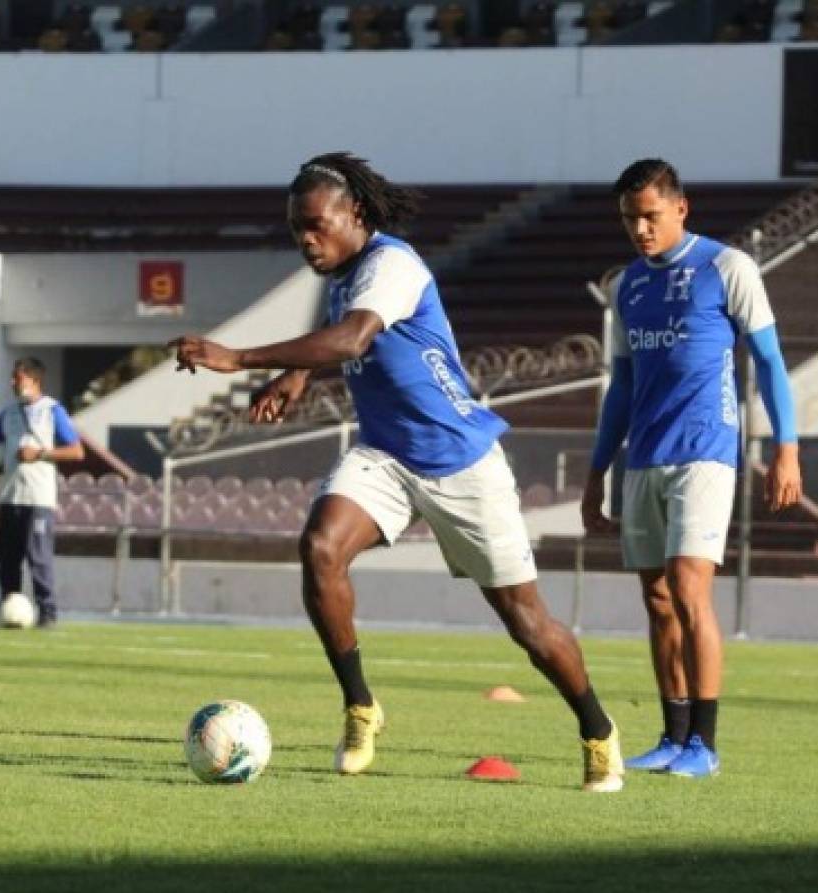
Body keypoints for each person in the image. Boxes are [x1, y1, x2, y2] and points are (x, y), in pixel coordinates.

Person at [168, 152, 624, 792]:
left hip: (461, 462)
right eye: (297, 227)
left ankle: (598, 731)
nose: (306, 239)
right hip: (384, 455)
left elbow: (354, 338)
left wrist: (236, 356)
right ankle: (361, 708)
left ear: (354, 215)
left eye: (317, 225)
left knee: (528, 623)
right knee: (320, 547)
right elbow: (338, 326)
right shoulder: (343, 272)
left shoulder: (393, 264)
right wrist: (295, 374)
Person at [581, 159, 802, 778]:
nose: (640, 229)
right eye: (630, 219)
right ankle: (674, 736)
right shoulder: (627, 285)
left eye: (650, 215)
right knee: (656, 600)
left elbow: (770, 361)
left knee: (687, 587)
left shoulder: (728, 267)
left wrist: (787, 447)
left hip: (706, 450)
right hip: (643, 457)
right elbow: (620, 389)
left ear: (682, 208)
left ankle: (705, 742)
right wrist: (599, 470)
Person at [0, 357, 85, 628]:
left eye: (17, 378)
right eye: (12, 377)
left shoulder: (53, 411)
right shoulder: (8, 414)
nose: (12, 383)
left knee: (38, 559)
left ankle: (48, 614)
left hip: (38, 499)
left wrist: (40, 453)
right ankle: (5, 614)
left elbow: (77, 451)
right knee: (7, 561)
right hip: (9, 497)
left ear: (34, 380)